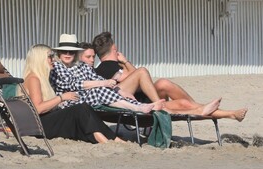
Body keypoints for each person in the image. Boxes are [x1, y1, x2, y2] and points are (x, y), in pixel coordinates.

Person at [91, 32, 248, 121]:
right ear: (114, 48)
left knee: (167, 86)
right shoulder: (106, 69)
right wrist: (126, 62)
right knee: (144, 72)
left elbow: (142, 82)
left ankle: (227, 113)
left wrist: (124, 62)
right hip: (140, 107)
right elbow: (139, 76)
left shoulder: (109, 68)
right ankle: (208, 110)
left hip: (143, 100)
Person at [22, 43, 124, 144]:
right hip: (40, 125)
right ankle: (107, 140)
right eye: (50, 57)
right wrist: (62, 98)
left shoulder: (42, 77)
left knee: (84, 107)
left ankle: (111, 138)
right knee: (79, 109)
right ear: (40, 59)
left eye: (52, 56)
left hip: (46, 120)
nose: (53, 59)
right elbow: (38, 109)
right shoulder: (33, 79)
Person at [49, 34, 163, 114]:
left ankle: (140, 106)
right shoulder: (57, 66)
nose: (68, 54)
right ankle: (137, 107)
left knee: (103, 88)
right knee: (98, 89)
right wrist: (104, 82)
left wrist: (119, 90)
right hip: (68, 100)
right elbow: (72, 84)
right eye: (64, 51)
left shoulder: (81, 65)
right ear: (59, 52)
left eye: (71, 51)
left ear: (76, 53)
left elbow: (96, 77)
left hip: (87, 97)